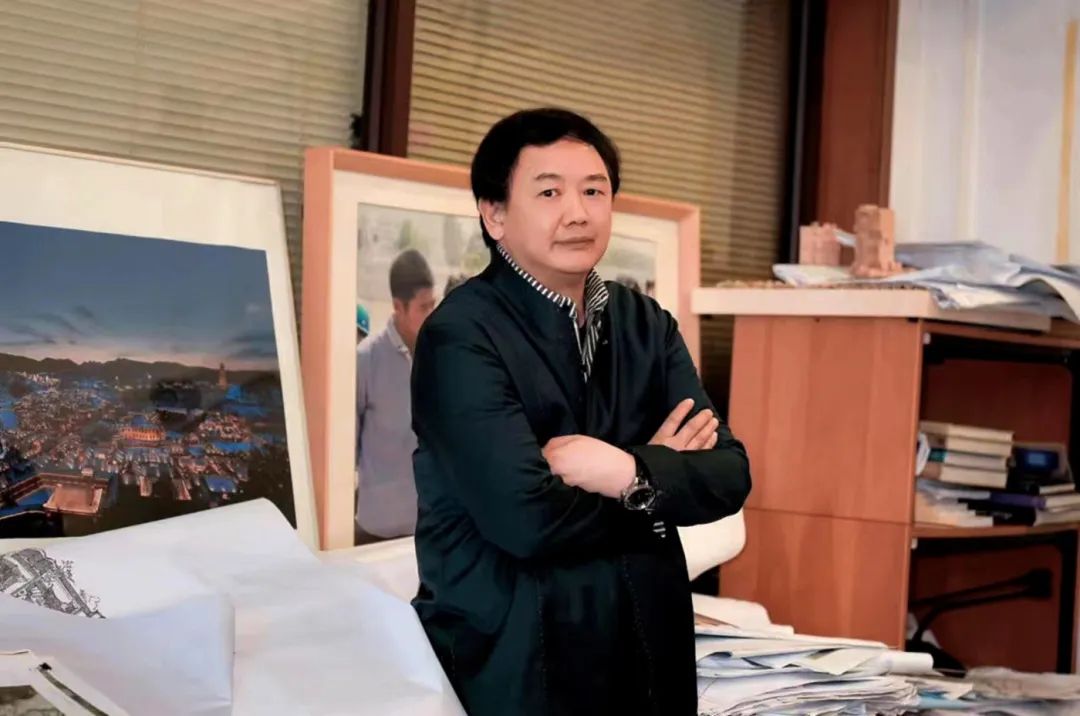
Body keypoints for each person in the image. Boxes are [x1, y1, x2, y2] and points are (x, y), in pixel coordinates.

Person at [410, 108, 752, 715]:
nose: (578, 213)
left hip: (650, 652)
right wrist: (660, 481)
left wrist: (623, 471)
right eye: (549, 193)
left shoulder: (645, 323)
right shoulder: (460, 336)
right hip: (519, 659)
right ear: (494, 215)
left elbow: (728, 475)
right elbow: (525, 518)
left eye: (594, 191)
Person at [354, 249, 436, 543]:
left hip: (432, 529)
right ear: (398, 307)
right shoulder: (366, 359)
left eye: (434, 304)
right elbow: (347, 447)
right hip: (378, 531)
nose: (432, 314)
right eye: (423, 307)